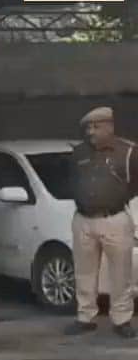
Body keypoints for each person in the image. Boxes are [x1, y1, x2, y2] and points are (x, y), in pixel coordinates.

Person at [66, 106, 138, 339]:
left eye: (96, 127)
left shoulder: (128, 152)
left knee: (121, 273)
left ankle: (122, 319)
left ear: (110, 127)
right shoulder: (79, 152)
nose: (91, 132)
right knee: (84, 272)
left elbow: (134, 184)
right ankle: (85, 317)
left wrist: (117, 198)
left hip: (114, 218)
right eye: (88, 127)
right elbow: (72, 181)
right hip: (83, 219)